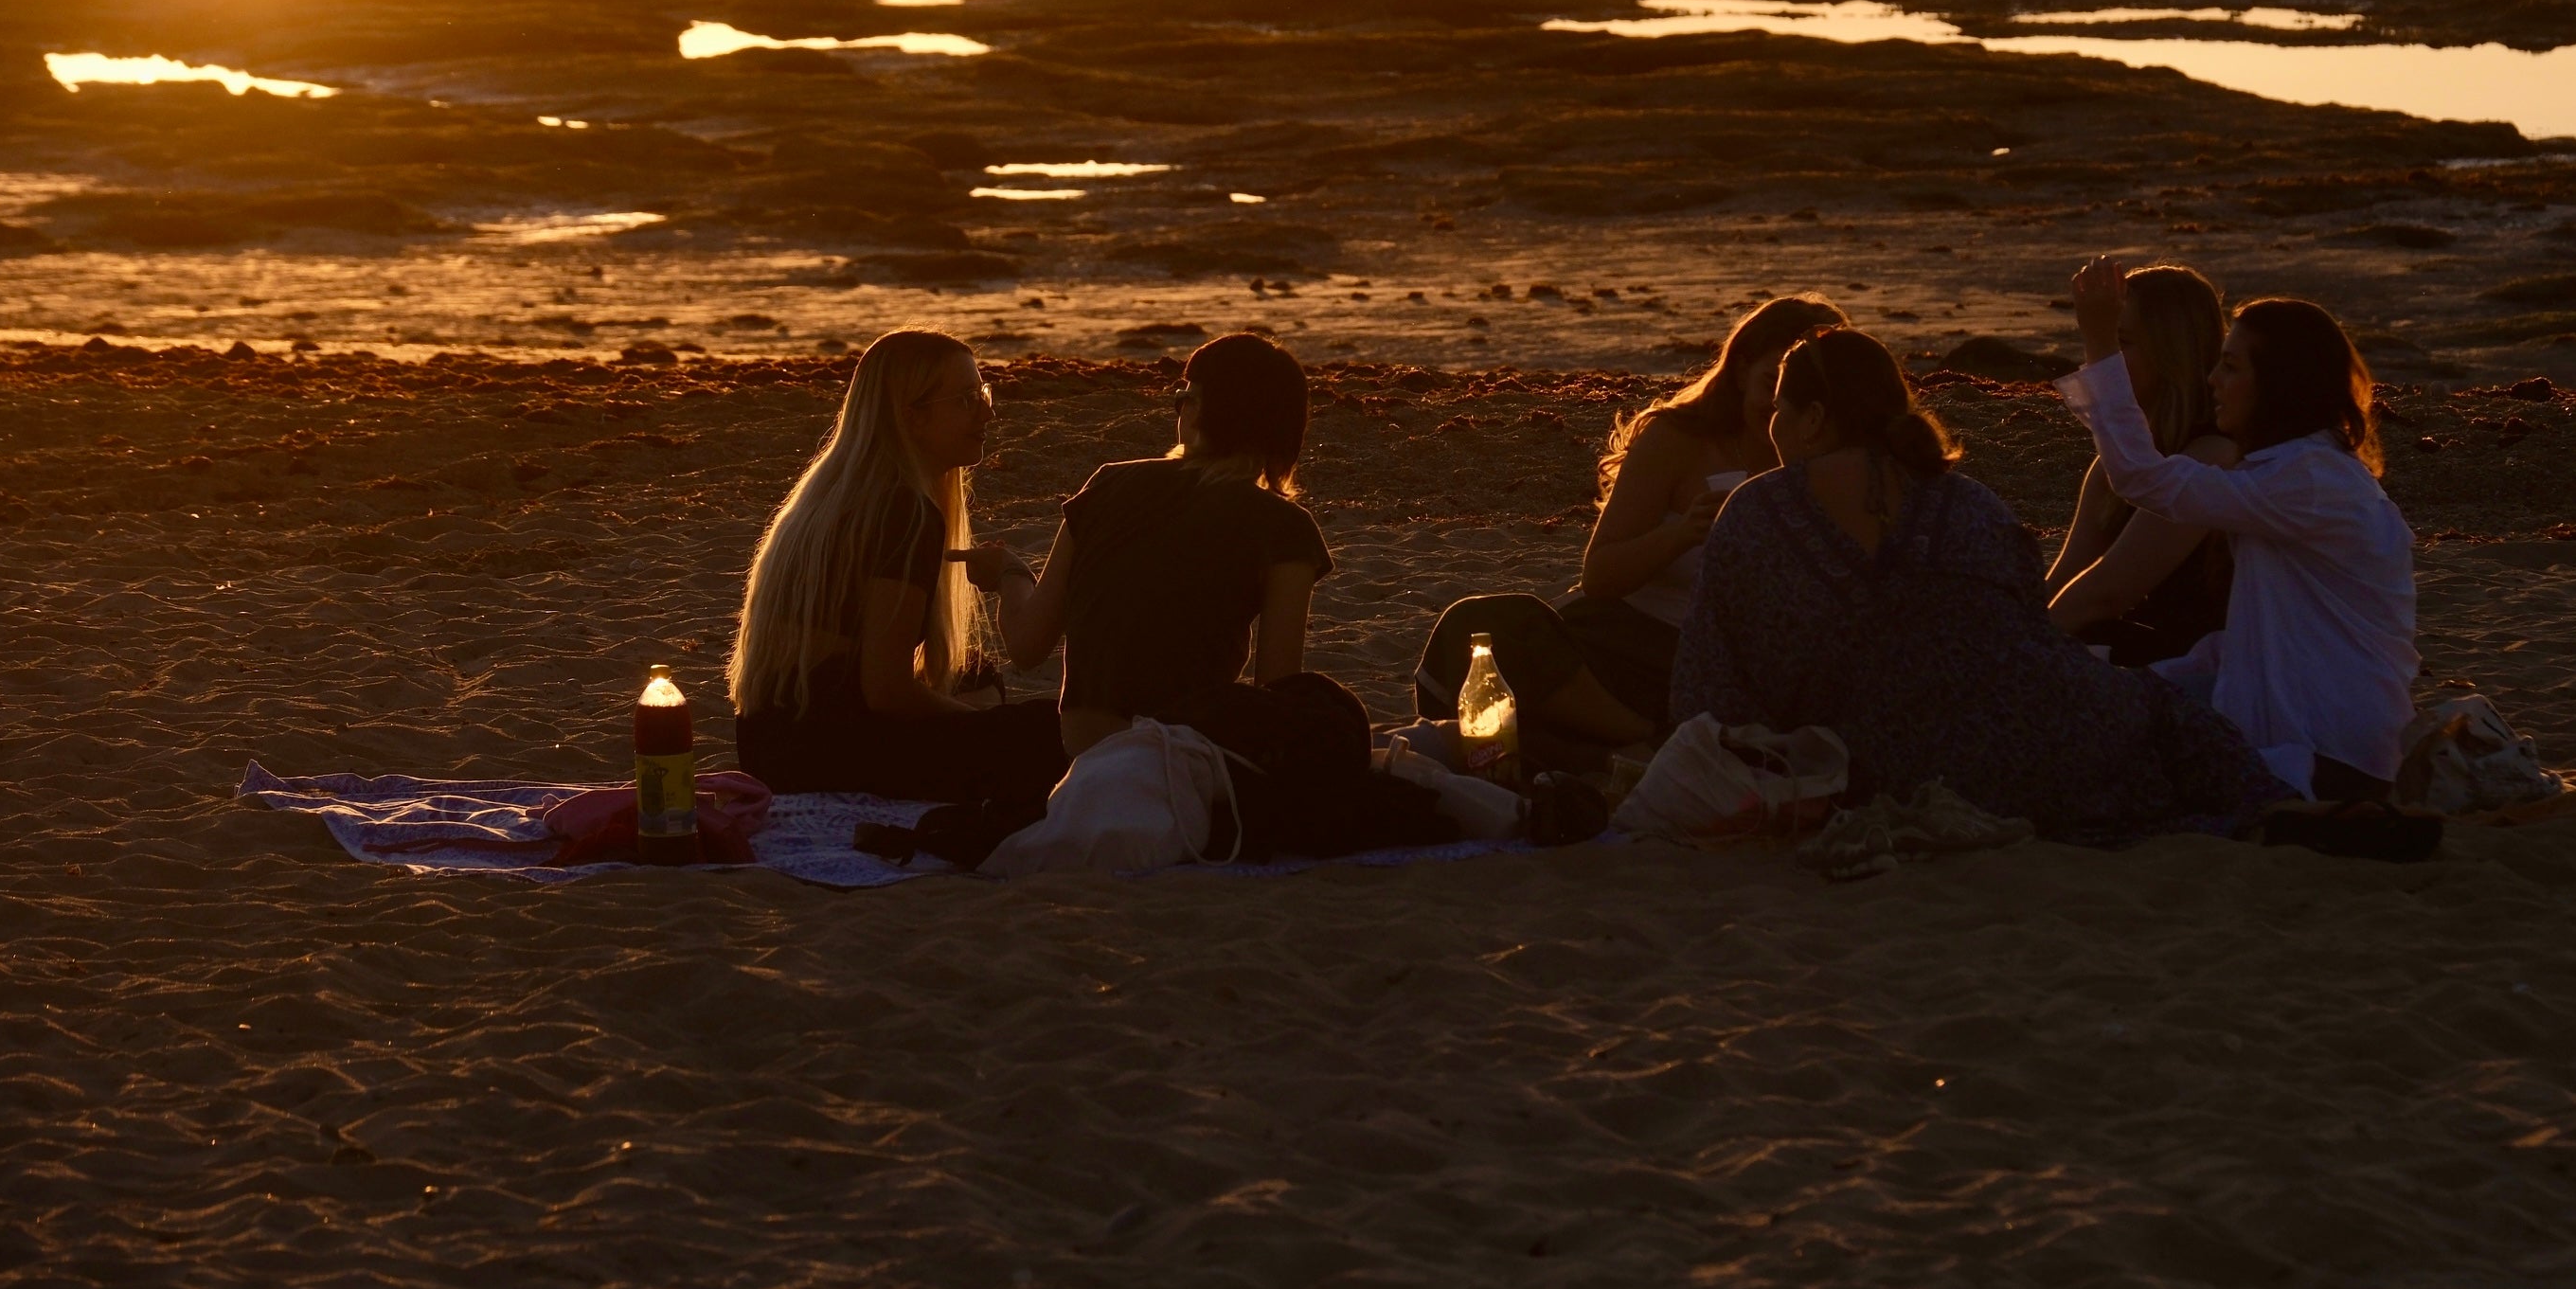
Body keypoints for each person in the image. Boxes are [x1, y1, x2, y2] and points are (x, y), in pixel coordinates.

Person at [1670, 328, 2295, 844]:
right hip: (2042, 742)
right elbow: (2035, 634)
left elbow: (1706, 689)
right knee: (2168, 720)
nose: (1772, 428)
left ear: (1812, 419)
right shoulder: (1968, 501)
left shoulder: (1757, 509)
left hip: (1880, 766)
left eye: (1780, 410)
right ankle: (2297, 812)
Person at [977, 333, 1442, 859]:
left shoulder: (1105, 486)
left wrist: (1011, 575)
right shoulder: (1284, 527)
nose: (1179, 409)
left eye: (1186, 396)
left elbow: (1026, 645)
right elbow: (1278, 688)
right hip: (1175, 761)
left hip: (1081, 752)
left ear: (1202, 411)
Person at [1411, 295, 1846, 761]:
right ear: (1741, 372)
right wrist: (1683, 534)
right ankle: (1640, 737)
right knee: (1479, 628)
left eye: (1800, 394)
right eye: (1770, 383)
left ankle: (1629, 744)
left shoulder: (1832, 460)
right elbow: (1600, 577)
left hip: (1723, 664)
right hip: (1629, 645)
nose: (1780, 406)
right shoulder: (1678, 440)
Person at [2055, 255, 2419, 802]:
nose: (2212, 380)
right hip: (2299, 735)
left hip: (2331, 756)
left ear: (2276, 384)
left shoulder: (2310, 482)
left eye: (2230, 367)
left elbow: (2142, 479)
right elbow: (2237, 649)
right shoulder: (2284, 475)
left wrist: (2098, 337)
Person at [726, 330, 1068, 822]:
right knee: (1043, 729)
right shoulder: (905, 511)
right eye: (967, 399)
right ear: (912, 417)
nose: (987, 412)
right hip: (827, 754)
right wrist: (987, 725)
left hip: (770, 743)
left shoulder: (836, 497)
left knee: (977, 673)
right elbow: (886, 690)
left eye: (984, 394)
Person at [2045, 264, 2238, 665]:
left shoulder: (2214, 457)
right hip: (2138, 655)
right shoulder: (2112, 468)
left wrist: (2011, 646)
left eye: (2123, 342)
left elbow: (2111, 590)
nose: (2106, 361)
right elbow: (2065, 584)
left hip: (2206, 672)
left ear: (2173, 352)